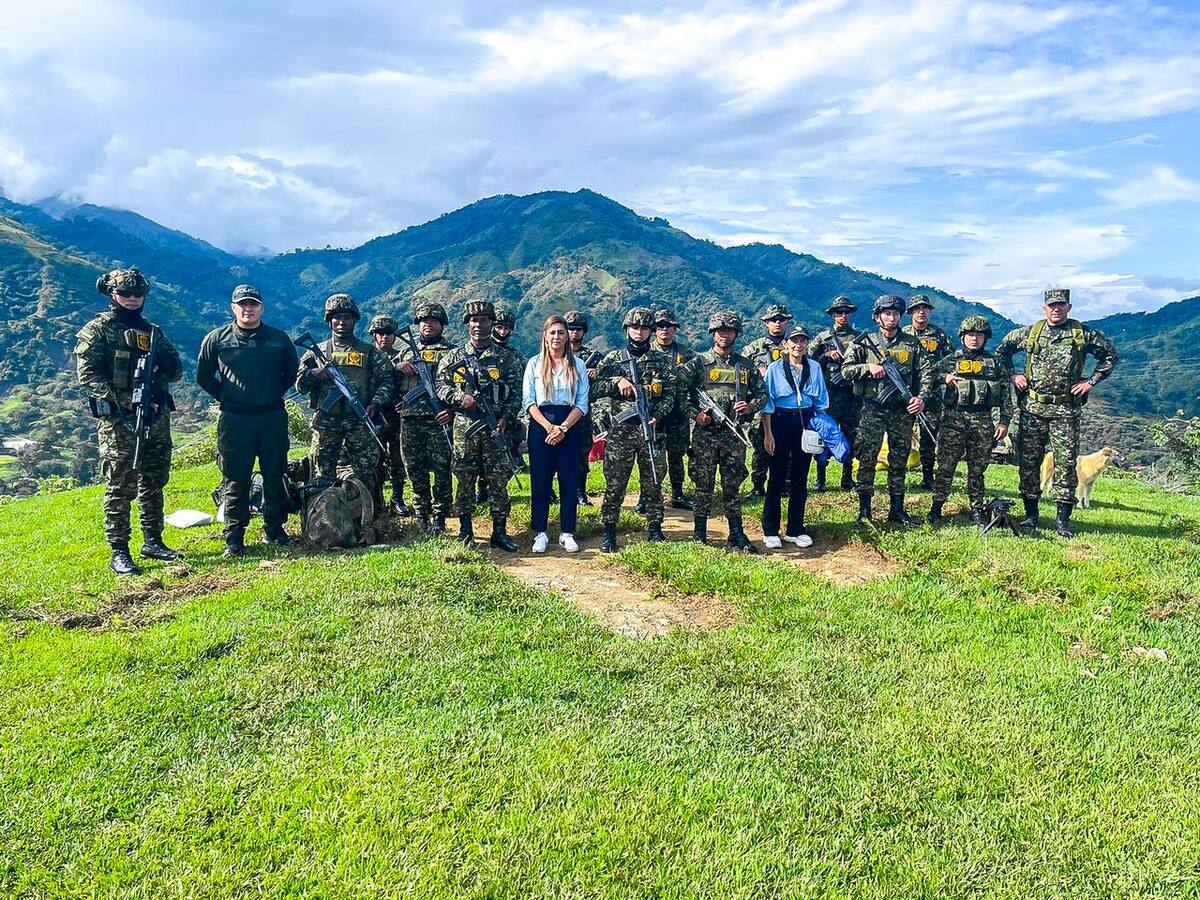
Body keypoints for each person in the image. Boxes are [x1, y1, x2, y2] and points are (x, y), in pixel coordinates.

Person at [76, 267, 183, 575]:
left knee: (154, 480)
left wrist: (156, 379)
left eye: (138, 294)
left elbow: (175, 370)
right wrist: (126, 400)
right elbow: (89, 376)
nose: (133, 299)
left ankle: (153, 540)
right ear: (112, 294)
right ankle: (119, 551)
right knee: (120, 485)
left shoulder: (152, 332)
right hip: (119, 423)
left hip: (155, 416)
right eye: (126, 294)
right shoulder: (97, 330)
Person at [996, 288, 1119, 537]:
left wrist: (1090, 382)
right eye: (1051, 305)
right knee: (1029, 463)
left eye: (1061, 305)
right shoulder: (1030, 333)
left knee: (1065, 462)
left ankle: (1063, 520)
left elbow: (1110, 356)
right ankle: (1031, 515)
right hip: (1033, 408)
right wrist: (1014, 374)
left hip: (1066, 409)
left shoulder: (1082, 334)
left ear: (1069, 307)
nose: (1056, 309)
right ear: (1044, 308)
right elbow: (1002, 351)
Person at [196, 284, 298, 557]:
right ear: (233, 308)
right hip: (235, 420)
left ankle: (275, 529)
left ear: (262, 308)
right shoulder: (217, 339)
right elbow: (204, 377)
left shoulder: (279, 339)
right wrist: (229, 397)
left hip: (272, 417)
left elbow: (290, 374)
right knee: (235, 479)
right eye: (243, 304)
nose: (248, 309)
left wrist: (269, 394)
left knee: (275, 474)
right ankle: (234, 538)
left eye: (253, 304)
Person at [437, 299, 524, 550]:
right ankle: (465, 530)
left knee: (498, 480)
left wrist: (506, 417)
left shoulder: (507, 358)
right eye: (474, 320)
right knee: (464, 478)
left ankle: (499, 531)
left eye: (484, 320)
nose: (478, 324)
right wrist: (459, 398)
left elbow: (517, 393)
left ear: (491, 323)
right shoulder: (453, 356)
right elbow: (441, 386)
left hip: (496, 426)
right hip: (465, 426)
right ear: (467, 324)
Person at [841, 294, 934, 525]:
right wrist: (868, 367)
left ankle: (897, 509)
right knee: (867, 459)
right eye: (887, 314)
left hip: (901, 411)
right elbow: (845, 371)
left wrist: (921, 398)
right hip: (871, 409)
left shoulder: (912, 344)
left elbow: (926, 374)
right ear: (877, 317)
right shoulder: (863, 343)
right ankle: (864, 511)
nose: (892, 318)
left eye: (896, 314)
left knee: (899, 459)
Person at [295, 293, 393, 498]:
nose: (341, 322)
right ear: (329, 320)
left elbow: (388, 380)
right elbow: (300, 386)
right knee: (322, 473)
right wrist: (313, 374)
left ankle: (372, 520)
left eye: (347, 317)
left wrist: (376, 402)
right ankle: (322, 520)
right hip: (326, 423)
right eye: (337, 317)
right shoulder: (316, 352)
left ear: (354, 319)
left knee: (368, 472)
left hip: (360, 421)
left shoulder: (370, 352)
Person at [593, 307, 674, 553]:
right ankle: (609, 530)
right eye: (635, 327)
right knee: (615, 483)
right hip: (622, 431)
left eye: (644, 328)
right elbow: (593, 388)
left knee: (654, 482)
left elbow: (670, 395)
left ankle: (655, 527)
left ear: (650, 331)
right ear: (627, 329)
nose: (639, 332)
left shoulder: (661, 361)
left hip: (651, 431)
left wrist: (657, 416)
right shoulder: (613, 359)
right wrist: (616, 382)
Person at [685, 311, 766, 552]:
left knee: (732, 485)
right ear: (713, 334)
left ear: (736, 334)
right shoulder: (698, 363)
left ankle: (736, 532)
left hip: (734, 434)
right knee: (703, 484)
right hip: (706, 434)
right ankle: (699, 533)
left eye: (729, 330)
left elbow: (763, 394)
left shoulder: (745, 365)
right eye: (720, 331)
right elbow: (680, 394)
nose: (724, 334)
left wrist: (750, 406)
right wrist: (696, 415)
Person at [928, 315, 1013, 526]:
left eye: (979, 335)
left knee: (978, 468)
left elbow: (1005, 394)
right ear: (962, 336)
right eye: (970, 335)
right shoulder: (951, 360)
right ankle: (936, 507)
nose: (974, 339)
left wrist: (1004, 422)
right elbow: (927, 377)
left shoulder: (994, 364)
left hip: (982, 420)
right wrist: (944, 378)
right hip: (953, 418)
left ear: (986, 338)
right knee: (946, 466)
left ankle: (977, 509)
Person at [523, 316, 589, 553]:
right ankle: (540, 532)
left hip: (569, 424)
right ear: (545, 335)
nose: (557, 337)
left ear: (567, 336)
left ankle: (567, 532)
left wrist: (562, 428)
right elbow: (528, 402)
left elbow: (582, 404)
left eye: (561, 332)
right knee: (540, 481)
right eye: (553, 333)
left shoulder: (578, 365)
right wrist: (549, 428)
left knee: (569, 481)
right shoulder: (534, 364)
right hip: (541, 423)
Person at [761, 324, 829, 548]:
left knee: (800, 476)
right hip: (781, 420)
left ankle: (795, 528)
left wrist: (821, 428)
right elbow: (767, 404)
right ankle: (771, 529)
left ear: (807, 344)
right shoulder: (774, 368)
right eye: (794, 341)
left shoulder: (815, 367)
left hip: (806, 421)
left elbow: (821, 401)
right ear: (786, 344)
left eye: (802, 341)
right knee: (777, 475)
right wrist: (768, 434)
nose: (798, 345)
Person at [393, 302, 455, 534]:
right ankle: (422, 516)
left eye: (433, 321)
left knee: (441, 471)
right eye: (423, 321)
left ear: (442, 324)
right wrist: (398, 367)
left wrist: (451, 411)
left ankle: (439, 518)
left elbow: (461, 384)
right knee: (414, 469)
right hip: (409, 420)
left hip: (438, 420)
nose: (428, 325)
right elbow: (386, 381)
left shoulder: (452, 352)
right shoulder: (405, 352)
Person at [811, 296, 862, 492]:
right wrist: (825, 356)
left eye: (846, 312)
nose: (843, 315)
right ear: (832, 314)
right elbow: (807, 360)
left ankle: (847, 478)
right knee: (824, 435)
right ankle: (820, 479)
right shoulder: (822, 338)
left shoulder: (858, 339)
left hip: (851, 394)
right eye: (839, 312)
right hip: (828, 394)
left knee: (850, 435)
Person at [742, 304, 794, 497]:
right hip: (761, 405)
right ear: (766, 323)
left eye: (781, 319)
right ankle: (758, 487)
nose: (778, 323)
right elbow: (741, 369)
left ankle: (785, 485)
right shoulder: (754, 348)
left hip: (787, 405)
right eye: (773, 320)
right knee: (760, 448)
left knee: (787, 447)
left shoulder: (795, 344)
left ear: (788, 321)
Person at [903, 294, 952, 489]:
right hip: (905, 394)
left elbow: (950, 361)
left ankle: (928, 476)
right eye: (917, 309)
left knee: (929, 435)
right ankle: (899, 475)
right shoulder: (902, 334)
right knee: (902, 435)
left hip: (931, 394)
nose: (921, 312)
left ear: (929, 311)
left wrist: (944, 377)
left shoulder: (939, 335)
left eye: (925, 309)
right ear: (910, 313)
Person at [367, 314, 411, 517]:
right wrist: (394, 369)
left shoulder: (403, 356)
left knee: (397, 459)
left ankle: (397, 497)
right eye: (380, 333)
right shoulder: (366, 355)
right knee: (373, 460)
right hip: (372, 414)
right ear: (374, 335)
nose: (385, 338)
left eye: (389, 334)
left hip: (396, 415)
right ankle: (376, 500)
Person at [652, 308, 696, 510]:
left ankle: (677, 494)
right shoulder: (647, 351)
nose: (664, 329)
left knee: (677, 456)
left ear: (675, 329)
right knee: (653, 457)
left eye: (668, 326)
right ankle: (650, 496)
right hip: (655, 415)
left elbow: (698, 379)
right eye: (660, 326)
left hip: (679, 413)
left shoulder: (686, 354)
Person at [565, 310, 605, 505]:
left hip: (581, 411)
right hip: (559, 410)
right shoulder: (556, 353)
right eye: (570, 329)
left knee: (582, 452)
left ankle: (580, 493)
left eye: (578, 329)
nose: (574, 333)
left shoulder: (592, 356)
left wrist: (595, 373)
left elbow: (608, 375)